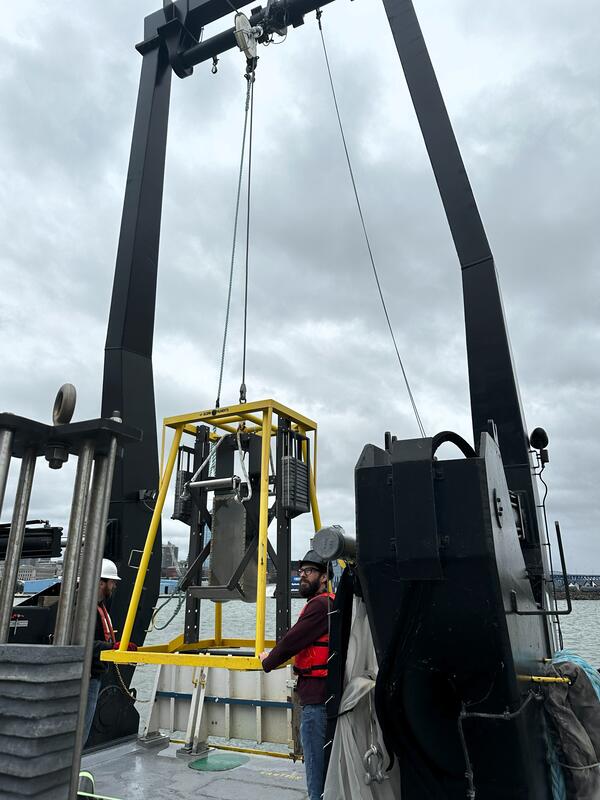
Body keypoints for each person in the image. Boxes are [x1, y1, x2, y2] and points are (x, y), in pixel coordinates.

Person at [260, 549, 334, 800]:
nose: (303, 576)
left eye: (309, 571)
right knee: (325, 765)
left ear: (324, 577)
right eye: (301, 571)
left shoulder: (319, 606)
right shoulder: (332, 603)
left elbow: (292, 641)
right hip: (329, 695)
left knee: (315, 767)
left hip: (316, 699)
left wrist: (267, 660)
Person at [82, 558, 136, 745]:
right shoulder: (82, 608)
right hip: (84, 678)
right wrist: (112, 647)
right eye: (112, 582)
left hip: (93, 675)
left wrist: (118, 646)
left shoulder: (99, 607)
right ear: (100, 582)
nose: (114, 586)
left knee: (84, 727)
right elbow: (80, 643)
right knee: (80, 728)